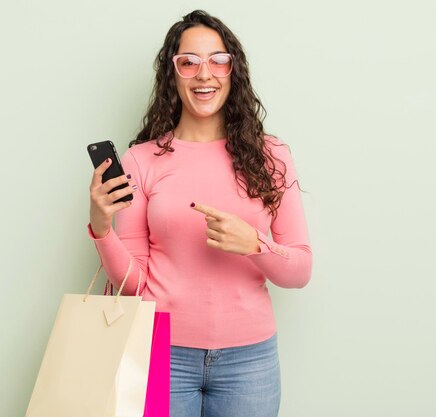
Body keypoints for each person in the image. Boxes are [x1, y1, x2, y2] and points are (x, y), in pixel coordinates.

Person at [88, 10, 312, 417]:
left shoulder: (272, 155)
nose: (203, 74)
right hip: (161, 354)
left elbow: (300, 269)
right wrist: (103, 229)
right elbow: (135, 281)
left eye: (217, 60)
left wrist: (255, 245)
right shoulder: (142, 160)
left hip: (250, 362)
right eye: (188, 62)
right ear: (172, 74)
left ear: (233, 70)